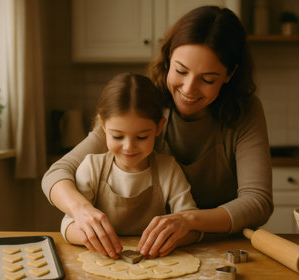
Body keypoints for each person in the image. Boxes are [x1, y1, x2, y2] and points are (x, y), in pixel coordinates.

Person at [42, 6, 273, 259]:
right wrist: (81, 210)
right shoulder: (145, 102)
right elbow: (57, 174)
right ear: (168, 58)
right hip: (161, 251)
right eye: (181, 71)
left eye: (207, 79)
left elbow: (257, 202)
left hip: (226, 249)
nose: (189, 89)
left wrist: (188, 220)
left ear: (230, 74)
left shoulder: (246, 111)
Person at [58, 73, 200, 258]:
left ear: (159, 127)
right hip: (105, 258)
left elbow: (193, 228)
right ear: (102, 125)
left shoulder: (169, 170)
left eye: (142, 137)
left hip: (153, 263)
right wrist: (97, 238)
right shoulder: (92, 167)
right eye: (117, 136)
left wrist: (167, 239)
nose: (129, 147)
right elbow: (67, 226)